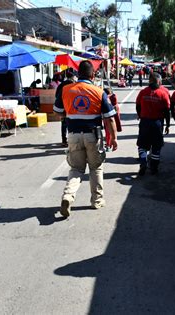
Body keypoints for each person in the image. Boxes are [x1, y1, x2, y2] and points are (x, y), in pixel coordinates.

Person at [53, 61, 118, 218]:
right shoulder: (98, 91)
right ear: (93, 74)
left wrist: (70, 115)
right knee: (96, 167)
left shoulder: (66, 90)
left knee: (76, 169)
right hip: (93, 136)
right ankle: (97, 200)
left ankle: (68, 196)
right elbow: (110, 119)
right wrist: (113, 138)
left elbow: (57, 112)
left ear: (77, 73)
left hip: (73, 135)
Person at [136, 73, 170, 175]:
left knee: (142, 144)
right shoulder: (162, 93)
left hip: (145, 122)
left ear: (149, 81)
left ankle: (143, 162)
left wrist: (141, 115)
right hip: (157, 123)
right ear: (159, 81)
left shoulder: (142, 92)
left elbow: (138, 106)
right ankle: (154, 167)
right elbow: (167, 111)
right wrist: (168, 124)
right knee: (156, 145)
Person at [55, 69, 77, 147]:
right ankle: (72, 140)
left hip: (63, 107)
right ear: (73, 77)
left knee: (64, 124)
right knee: (72, 123)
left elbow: (56, 95)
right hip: (72, 106)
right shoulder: (74, 84)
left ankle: (64, 140)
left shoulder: (61, 84)